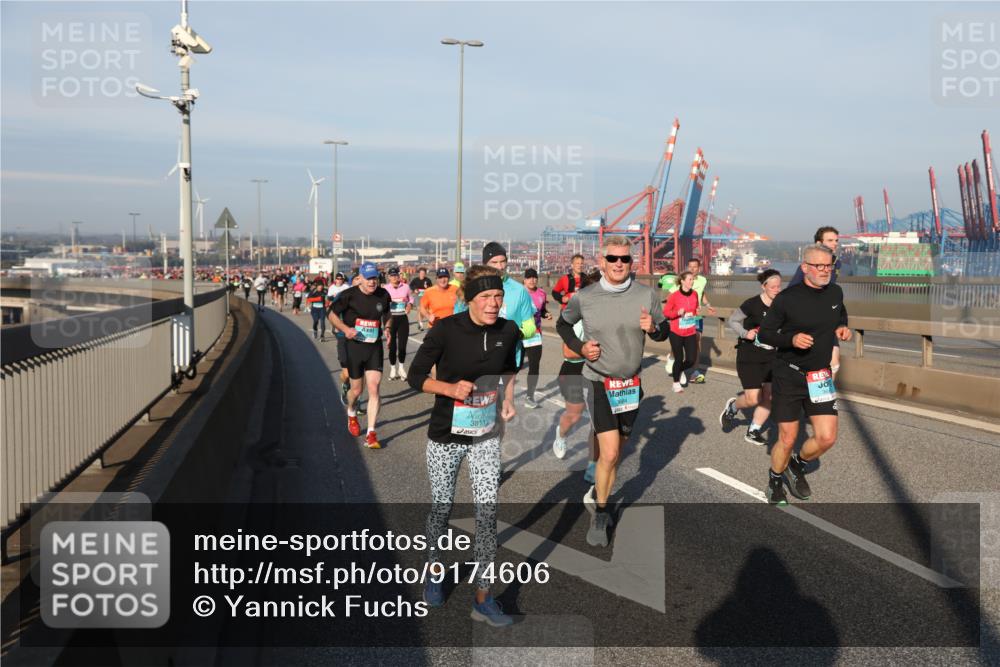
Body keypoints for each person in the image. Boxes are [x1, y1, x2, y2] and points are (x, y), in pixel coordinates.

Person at [406, 265, 519, 627]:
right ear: (469, 299)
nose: (493, 303)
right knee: (443, 506)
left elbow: (508, 368)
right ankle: (435, 568)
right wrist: (449, 389)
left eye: (498, 297)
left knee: (488, 512)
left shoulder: (508, 330)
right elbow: (415, 377)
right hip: (445, 435)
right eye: (485, 297)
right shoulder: (446, 330)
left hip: (485, 434)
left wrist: (507, 399)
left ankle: (484, 597)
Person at [557, 236, 669, 547]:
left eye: (625, 259)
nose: (619, 264)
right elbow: (564, 324)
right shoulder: (585, 297)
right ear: (602, 262)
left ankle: (600, 490)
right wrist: (581, 346)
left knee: (616, 453)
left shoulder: (647, 295)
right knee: (608, 453)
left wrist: (654, 328)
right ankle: (601, 513)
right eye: (612, 258)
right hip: (597, 381)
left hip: (631, 385)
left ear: (632, 263)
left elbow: (664, 330)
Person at [758, 244, 851, 505]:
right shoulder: (787, 299)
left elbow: (840, 313)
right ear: (805, 268)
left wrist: (843, 327)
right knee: (787, 439)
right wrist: (791, 339)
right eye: (818, 266)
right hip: (789, 375)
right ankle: (775, 479)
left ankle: (796, 465)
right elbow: (765, 333)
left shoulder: (835, 292)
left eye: (828, 265)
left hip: (819, 377)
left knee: (827, 437)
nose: (825, 271)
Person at [328, 262, 391, 449]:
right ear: (360, 278)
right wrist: (346, 329)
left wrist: (387, 328)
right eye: (369, 278)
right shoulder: (348, 295)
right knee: (356, 391)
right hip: (354, 347)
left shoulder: (383, 295)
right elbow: (331, 314)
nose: (372, 282)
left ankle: (371, 433)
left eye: (375, 278)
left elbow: (387, 314)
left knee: (374, 388)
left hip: (374, 347)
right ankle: (352, 413)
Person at [720, 269, 781, 445]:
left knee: (768, 396)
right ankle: (733, 407)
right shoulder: (752, 304)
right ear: (764, 287)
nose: (777, 290)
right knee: (753, 398)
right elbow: (733, 320)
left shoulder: (781, 306)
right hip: (750, 356)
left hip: (772, 356)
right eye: (773, 287)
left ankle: (753, 430)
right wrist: (745, 333)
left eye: (779, 287)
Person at [552, 269, 601, 477]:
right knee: (574, 415)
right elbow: (567, 351)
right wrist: (586, 349)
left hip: (597, 373)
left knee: (598, 422)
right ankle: (561, 435)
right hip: (573, 370)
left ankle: (592, 464)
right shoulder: (576, 314)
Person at [789, 226, 843, 376]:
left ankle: (825, 398)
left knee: (834, 363)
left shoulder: (837, 263)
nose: (835, 243)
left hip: (826, 318)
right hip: (806, 319)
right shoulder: (808, 266)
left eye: (836, 240)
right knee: (808, 365)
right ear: (819, 244)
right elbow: (792, 289)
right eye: (830, 240)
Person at [661, 258, 716, 382]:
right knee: (678, 344)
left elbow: (703, 294)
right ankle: (672, 357)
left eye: (695, 267)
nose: (692, 269)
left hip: (695, 317)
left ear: (699, 268)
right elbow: (669, 297)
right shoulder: (681, 282)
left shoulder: (703, 280)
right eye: (690, 267)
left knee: (697, 341)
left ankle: (694, 372)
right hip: (681, 318)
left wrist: (708, 305)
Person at [662, 271, 700, 393]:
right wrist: (677, 313)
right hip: (676, 332)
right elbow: (666, 313)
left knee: (691, 360)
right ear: (682, 281)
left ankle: (677, 370)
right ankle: (676, 383)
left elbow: (696, 307)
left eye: (693, 279)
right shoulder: (674, 296)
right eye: (689, 279)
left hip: (690, 331)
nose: (692, 281)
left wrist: (696, 311)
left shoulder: (694, 294)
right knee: (679, 359)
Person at [521, 267, 551, 408]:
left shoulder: (542, 293)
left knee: (534, 366)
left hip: (535, 334)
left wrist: (546, 314)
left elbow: (542, 310)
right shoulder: (519, 293)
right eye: (529, 277)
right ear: (524, 280)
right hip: (518, 333)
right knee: (514, 366)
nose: (532, 280)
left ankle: (529, 396)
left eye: (535, 277)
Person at [326, 273, 354, 407]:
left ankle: (356, 404)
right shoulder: (341, 296)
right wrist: (338, 326)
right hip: (343, 336)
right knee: (347, 373)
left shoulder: (366, 300)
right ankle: (344, 384)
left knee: (361, 375)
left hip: (360, 340)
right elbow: (330, 312)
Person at [384, 267, 414, 380]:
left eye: (396, 275)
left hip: (402, 319)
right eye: (392, 276)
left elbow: (411, 298)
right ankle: (393, 369)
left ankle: (401, 367)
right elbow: (382, 303)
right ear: (388, 277)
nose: (394, 277)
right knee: (392, 347)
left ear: (399, 276)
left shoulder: (405, 287)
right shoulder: (386, 288)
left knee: (402, 346)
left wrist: (410, 305)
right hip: (391, 320)